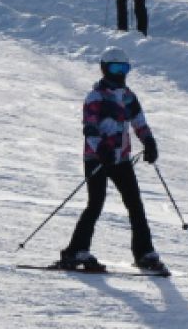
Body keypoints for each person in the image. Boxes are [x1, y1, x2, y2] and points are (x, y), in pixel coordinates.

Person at [57, 47, 165, 274]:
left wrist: (149, 142)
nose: (120, 73)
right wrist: (100, 151)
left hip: (121, 159)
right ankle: (76, 251)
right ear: (105, 68)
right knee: (95, 204)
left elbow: (139, 122)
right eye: (116, 68)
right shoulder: (95, 96)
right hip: (97, 159)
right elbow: (90, 129)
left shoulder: (128, 96)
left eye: (124, 68)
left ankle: (144, 253)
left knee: (135, 204)